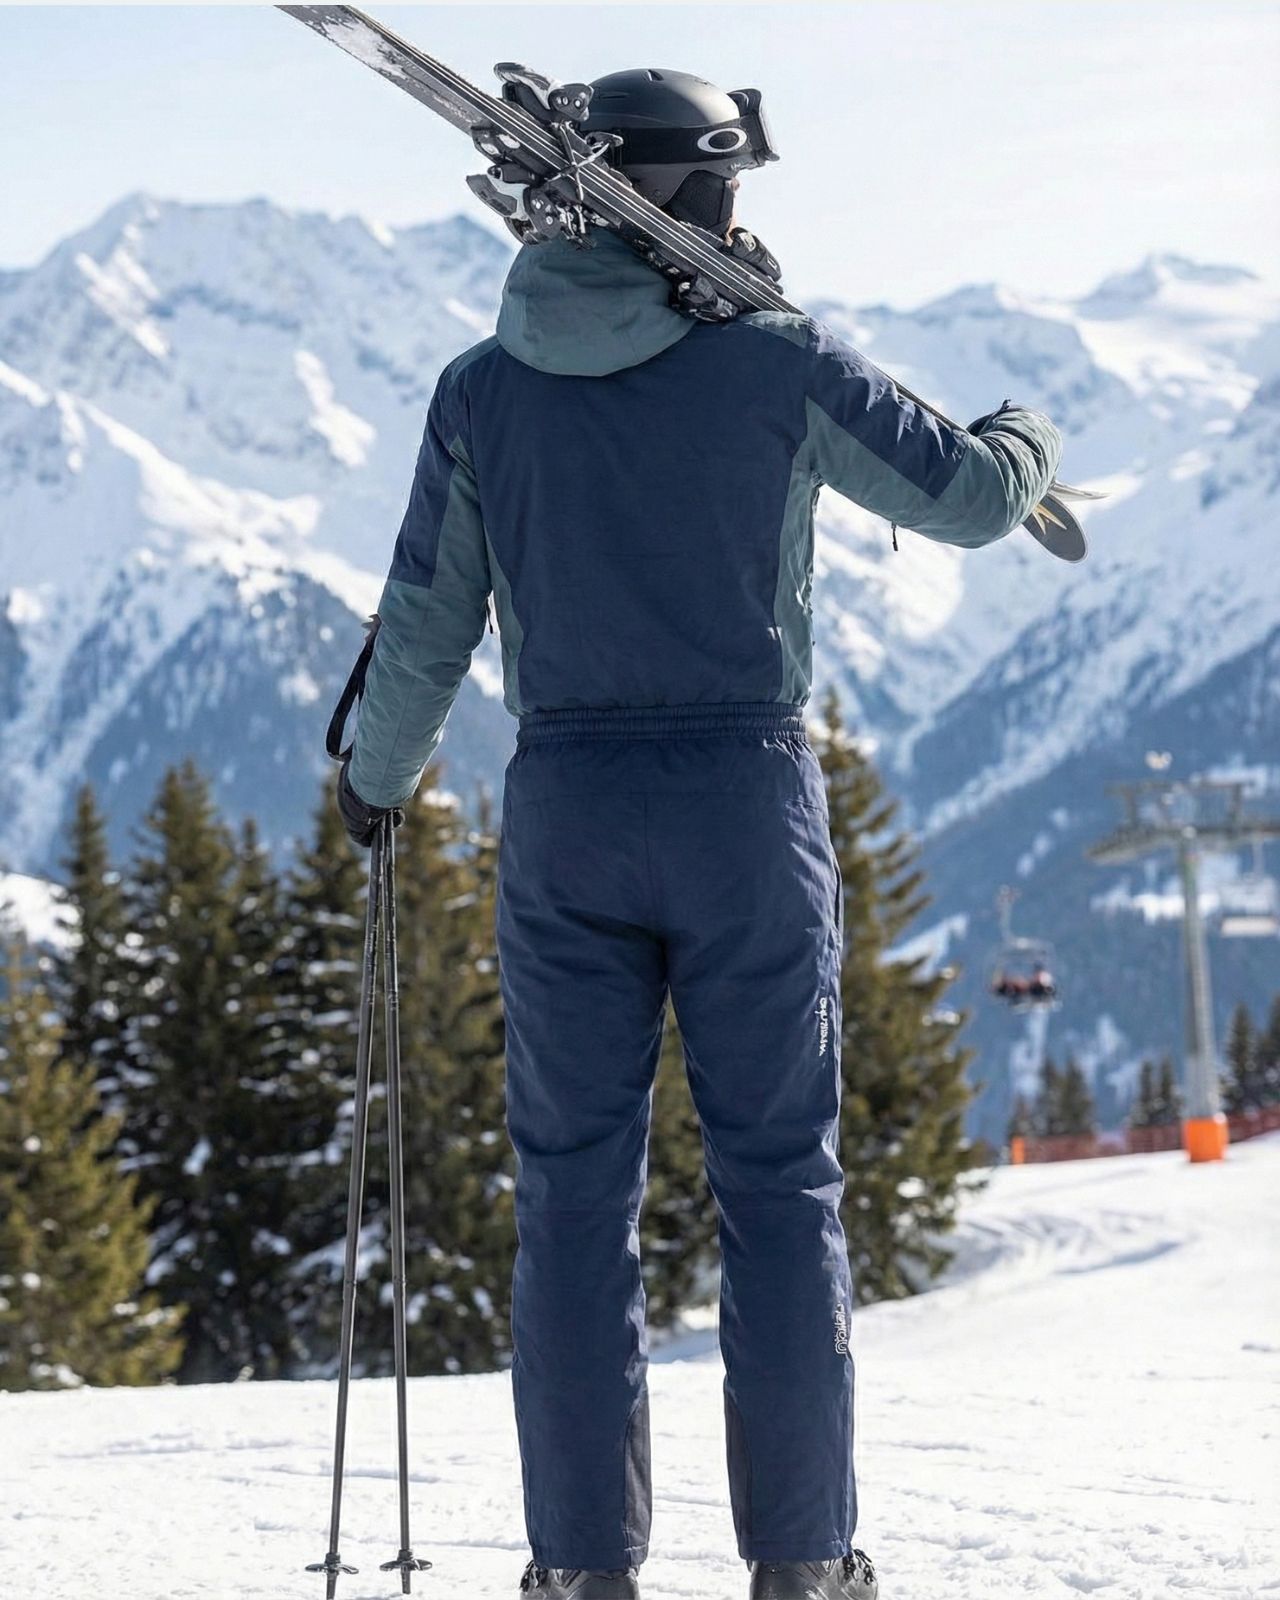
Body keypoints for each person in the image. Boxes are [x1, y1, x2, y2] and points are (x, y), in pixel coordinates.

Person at [336, 64, 1063, 1600]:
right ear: (693, 197)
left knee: (572, 1202)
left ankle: (581, 1572)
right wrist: (1029, 432)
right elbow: (970, 499)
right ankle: (803, 1565)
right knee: (780, 1190)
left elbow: (424, 622)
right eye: (730, 188)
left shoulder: (481, 393)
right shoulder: (776, 366)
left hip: (567, 816)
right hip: (743, 806)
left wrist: (376, 784)